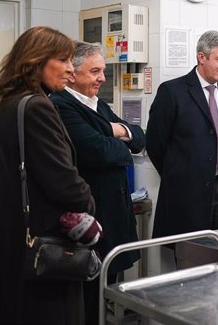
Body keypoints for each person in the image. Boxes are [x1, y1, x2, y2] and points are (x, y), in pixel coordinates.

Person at [0, 26, 95, 324]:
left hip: (10, 236)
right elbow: (65, 185)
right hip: (43, 243)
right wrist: (88, 204)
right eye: (63, 60)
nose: (69, 70)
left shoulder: (5, 102)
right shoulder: (38, 107)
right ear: (36, 61)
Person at [50, 41, 144, 323]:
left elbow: (139, 139)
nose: (102, 78)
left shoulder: (98, 105)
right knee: (87, 297)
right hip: (87, 218)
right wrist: (118, 140)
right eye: (94, 72)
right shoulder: (61, 105)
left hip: (114, 215)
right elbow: (97, 151)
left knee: (108, 288)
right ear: (72, 73)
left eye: (102, 71)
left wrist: (119, 132)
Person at [146, 30, 218, 239]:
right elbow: (155, 144)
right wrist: (180, 173)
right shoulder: (173, 91)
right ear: (201, 57)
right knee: (192, 256)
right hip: (188, 192)